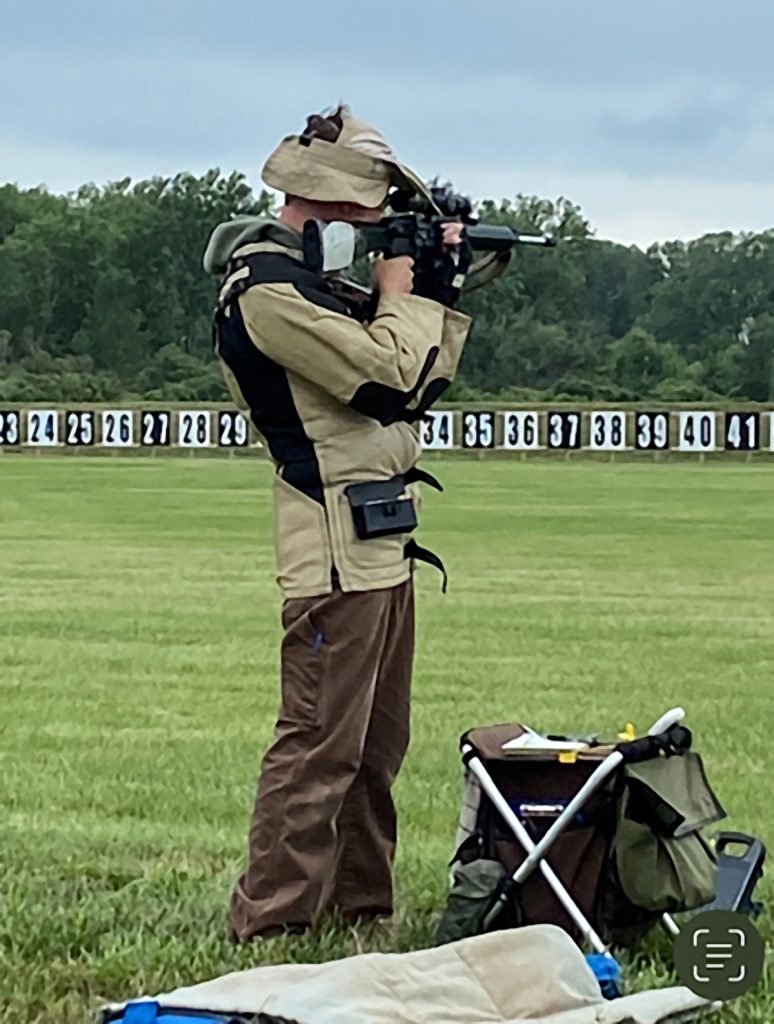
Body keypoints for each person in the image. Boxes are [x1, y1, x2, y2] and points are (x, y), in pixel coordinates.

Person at [203, 104, 473, 943]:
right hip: (330, 549)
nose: (373, 228)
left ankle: (359, 909)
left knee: (375, 748)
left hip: (381, 540)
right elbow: (390, 379)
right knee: (319, 744)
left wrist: (435, 286)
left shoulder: (316, 285)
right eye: (366, 212)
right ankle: (275, 922)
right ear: (321, 205)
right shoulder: (271, 293)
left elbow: (423, 380)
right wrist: (402, 294)